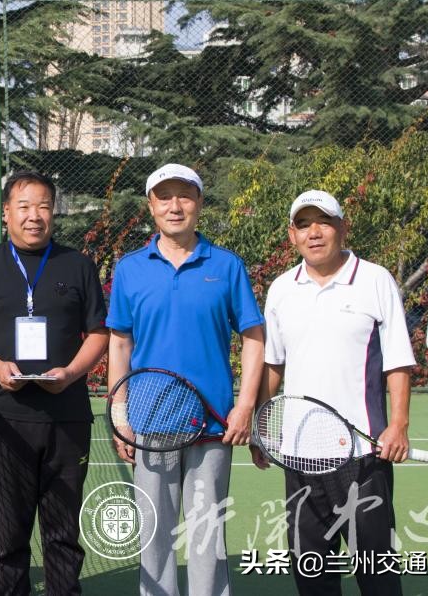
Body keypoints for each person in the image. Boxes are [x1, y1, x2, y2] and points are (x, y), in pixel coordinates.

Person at [106, 163, 264, 596]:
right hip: (148, 422)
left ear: (199, 204)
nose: (175, 206)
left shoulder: (227, 266)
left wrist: (245, 405)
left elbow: (253, 337)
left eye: (185, 196)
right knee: (154, 533)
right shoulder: (130, 268)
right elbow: (119, 343)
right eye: (164, 197)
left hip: (212, 424)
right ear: (151, 207)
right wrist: (120, 415)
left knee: (206, 534)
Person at [0, 170, 108, 594]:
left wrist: (72, 373)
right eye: (23, 207)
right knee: (7, 533)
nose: (34, 216)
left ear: (53, 213)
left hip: (67, 418)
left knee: (62, 533)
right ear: (6, 213)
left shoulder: (77, 265)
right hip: (4, 418)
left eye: (43, 206)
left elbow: (99, 333)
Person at [259, 189, 415, 595]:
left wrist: (397, 424)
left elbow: (398, 362)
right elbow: (273, 365)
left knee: (375, 571)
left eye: (324, 222)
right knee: (311, 571)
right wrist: (264, 426)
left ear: (342, 228)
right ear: (292, 235)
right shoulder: (280, 289)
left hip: (362, 456)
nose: (314, 232)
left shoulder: (376, 280)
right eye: (304, 224)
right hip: (298, 454)